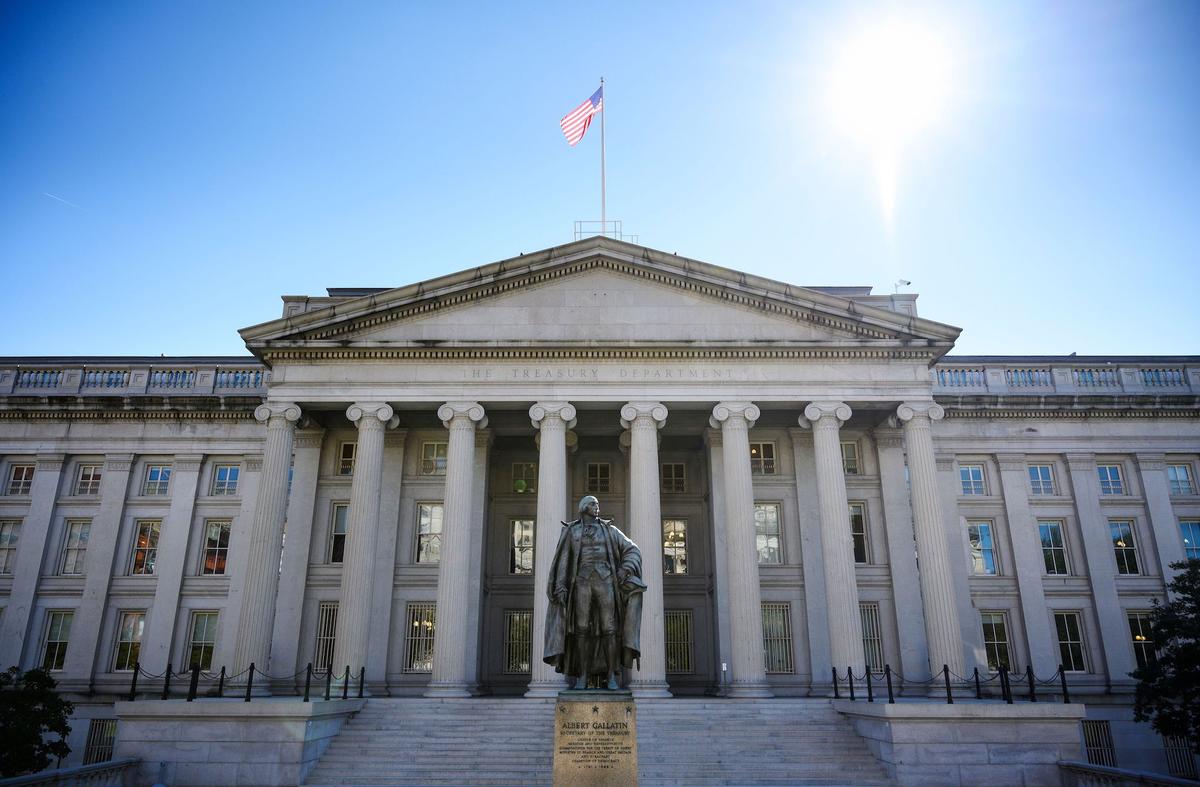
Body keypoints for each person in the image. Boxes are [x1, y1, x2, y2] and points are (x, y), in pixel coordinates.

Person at [543, 495, 644, 690]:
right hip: (581, 583)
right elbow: (564, 560)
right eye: (592, 504)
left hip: (606, 582)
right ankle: (582, 676)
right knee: (581, 629)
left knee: (610, 628)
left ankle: (612, 675)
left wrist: (625, 569)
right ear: (583, 507)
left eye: (598, 504)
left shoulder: (610, 530)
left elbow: (633, 550)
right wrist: (561, 586)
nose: (597, 507)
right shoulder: (572, 532)